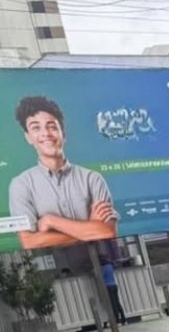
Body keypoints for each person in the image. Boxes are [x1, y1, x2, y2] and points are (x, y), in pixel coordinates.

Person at [9, 96, 118, 250]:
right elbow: (29, 242)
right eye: (35, 127)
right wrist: (88, 230)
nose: (46, 133)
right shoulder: (21, 185)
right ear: (28, 138)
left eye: (52, 126)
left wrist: (50, 221)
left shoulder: (92, 179)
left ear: (63, 134)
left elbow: (106, 231)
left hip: (103, 264)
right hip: (55, 270)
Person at [100, 257, 126, 326]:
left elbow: (100, 276)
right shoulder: (110, 266)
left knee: (112, 303)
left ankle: (116, 319)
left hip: (108, 286)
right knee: (117, 302)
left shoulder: (103, 268)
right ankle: (123, 318)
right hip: (114, 285)